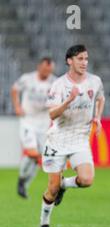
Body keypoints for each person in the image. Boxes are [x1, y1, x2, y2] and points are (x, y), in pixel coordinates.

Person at [39, 44, 105, 227]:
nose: (84, 63)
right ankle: (44, 223)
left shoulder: (95, 81)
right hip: (58, 140)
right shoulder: (59, 85)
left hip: (80, 139)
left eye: (86, 59)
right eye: (80, 59)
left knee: (87, 179)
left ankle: (64, 185)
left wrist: (97, 117)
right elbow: (52, 114)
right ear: (69, 61)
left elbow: (101, 98)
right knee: (51, 190)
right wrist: (68, 101)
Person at [11, 57, 56, 198]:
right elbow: (14, 89)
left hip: (44, 124)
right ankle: (21, 179)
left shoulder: (55, 82)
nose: (46, 72)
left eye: (49, 70)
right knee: (32, 153)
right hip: (28, 121)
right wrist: (17, 106)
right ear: (39, 67)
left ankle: (24, 184)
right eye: (44, 70)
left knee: (38, 157)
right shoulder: (27, 78)